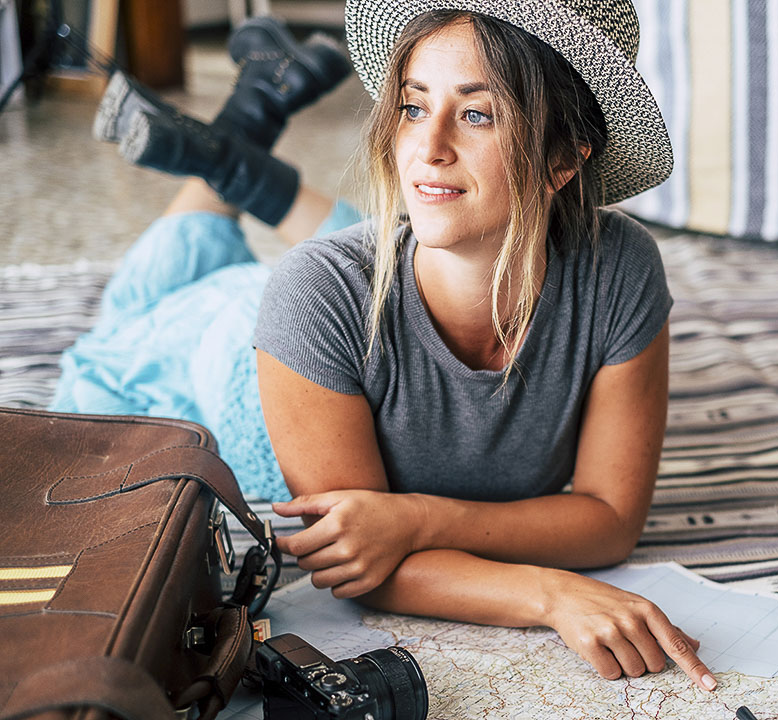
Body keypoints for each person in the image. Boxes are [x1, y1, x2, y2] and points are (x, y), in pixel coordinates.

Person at [54, 1, 719, 692]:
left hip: (342, 317)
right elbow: (359, 565)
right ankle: (240, 130)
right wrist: (550, 594)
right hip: (211, 358)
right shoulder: (313, 292)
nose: (427, 145)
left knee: (372, 241)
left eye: (477, 113)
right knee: (159, 284)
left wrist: (414, 516)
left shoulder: (622, 267)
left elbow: (610, 521)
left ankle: (247, 120)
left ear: (561, 158)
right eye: (410, 106)